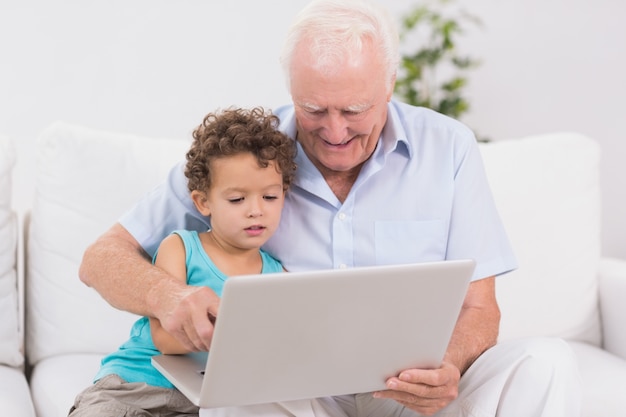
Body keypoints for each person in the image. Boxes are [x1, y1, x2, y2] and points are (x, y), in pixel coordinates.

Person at [78, 0, 582, 416]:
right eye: (314, 109)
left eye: (355, 110)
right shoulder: (250, 154)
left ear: (389, 85)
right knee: (233, 394)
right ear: (292, 91)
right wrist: (166, 296)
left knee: (546, 361)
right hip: (295, 394)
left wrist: (444, 366)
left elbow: (480, 308)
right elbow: (102, 257)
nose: (335, 132)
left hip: (406, 389)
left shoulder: (448, 147)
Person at [68, 107, 298, 416]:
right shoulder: (181, 247)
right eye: (236, 199)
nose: (255, 210)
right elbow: (166, 339)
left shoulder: (277, 275)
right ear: (203, 202)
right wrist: (240, 336)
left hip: (204, 401)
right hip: (137, 387)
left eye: (269, 197)